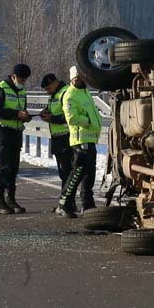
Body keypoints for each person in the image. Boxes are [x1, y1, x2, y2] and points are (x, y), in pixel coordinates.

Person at [55, 67, 101, 218]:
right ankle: (64, 202)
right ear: (72, 79)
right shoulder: (70, 95)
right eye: (77, 78)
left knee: (90, 173)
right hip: (80, 139)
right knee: (78, 172)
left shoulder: (85, 92)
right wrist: (88, 121)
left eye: (81, 77)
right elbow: (72, 118)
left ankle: (87, 203)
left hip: (91, 137)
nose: (80, 80)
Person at [0, 63, 32, 214]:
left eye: (24, 80)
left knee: (13, 169)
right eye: (21, 79)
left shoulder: (22, 90)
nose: (23, 82)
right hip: (2, 133)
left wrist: (25, 116)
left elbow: (22, 109)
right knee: (3, 168)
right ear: (13, 76)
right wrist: (16, 114)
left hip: (16, 132)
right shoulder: (1, 88)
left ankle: (11, 199)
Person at [38, 73, 72, 189]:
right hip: (57, 140)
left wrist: (52, 118)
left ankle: (66, 204)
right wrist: (45, 111)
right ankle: (65, 203)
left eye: (48, 88)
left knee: (67, 174)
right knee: (63, 175)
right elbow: (55, 109)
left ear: (54, 82)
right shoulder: (54, 94)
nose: (47, 92)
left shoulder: (66, 92)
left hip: (67, 139)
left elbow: (70, 117)